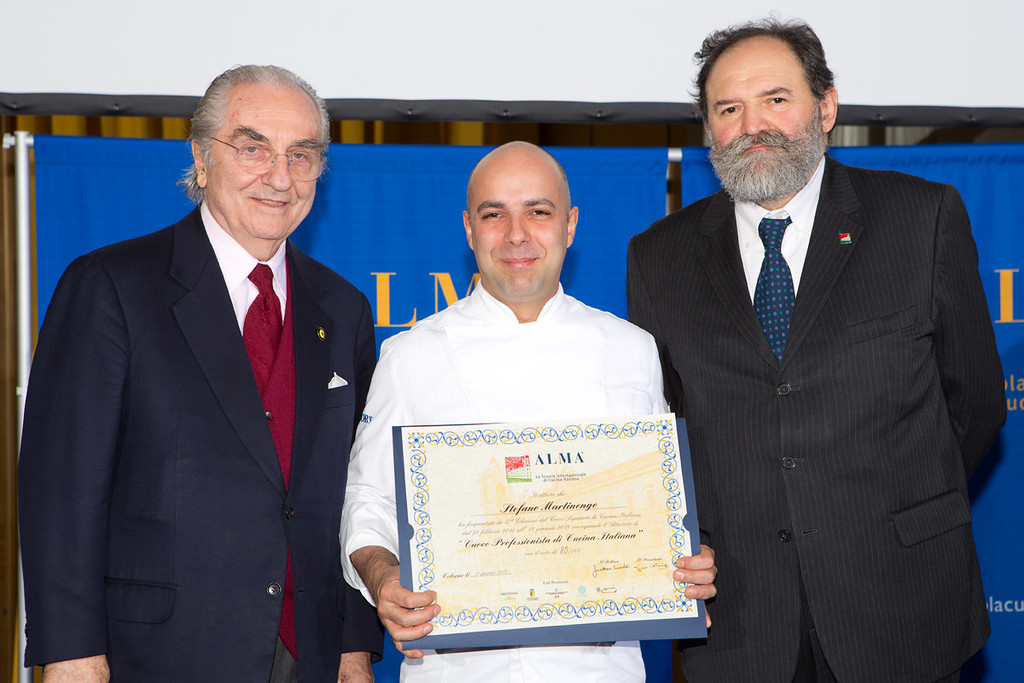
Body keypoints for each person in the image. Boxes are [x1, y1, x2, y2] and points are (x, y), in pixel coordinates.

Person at [627, 18, 1005, 683]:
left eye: (776, 99)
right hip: (742, 622)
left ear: (825, 107)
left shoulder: (922, 219)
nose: (753, 124)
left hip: (901, 603)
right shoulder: (659, 257)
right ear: (708, 128)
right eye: (728, 109)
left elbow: (973, 403)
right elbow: (667, 433)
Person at [18, 65, 381, 682]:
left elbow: (354, 488)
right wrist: (70, 651)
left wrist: (353, 646)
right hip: (157, 655)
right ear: (201, 156)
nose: (279, 177)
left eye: (302, 155)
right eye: (252, 148)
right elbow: (62, 488)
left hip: (311, 656)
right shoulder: (110, 287)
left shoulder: (343, 309)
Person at [340, 141, 717, 682]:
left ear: (571, 225)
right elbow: (368, 497)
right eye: (495, 214)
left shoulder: (632, 348)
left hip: (602, 669)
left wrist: (687, 558)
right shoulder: (410, 355)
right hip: (456, 669)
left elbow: (658, 506)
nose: (517, 234)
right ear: (469, 229)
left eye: (539, 212)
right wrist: (383, 577)